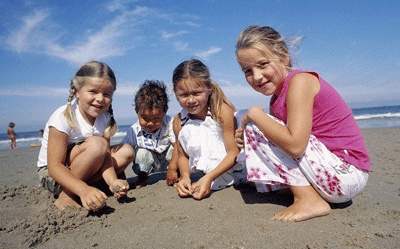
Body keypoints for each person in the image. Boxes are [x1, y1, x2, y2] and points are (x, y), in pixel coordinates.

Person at [234, 25, 370, 222]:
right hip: (329, 176)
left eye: (263, 64)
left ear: (284, 56)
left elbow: (296, 146)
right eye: (248, 70)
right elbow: (281, 147)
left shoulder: (300, 81)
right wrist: (248, 138)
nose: (256, 77)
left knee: (256, 120)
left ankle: (308, 199)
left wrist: (254, 115)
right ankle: (303, 192)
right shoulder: (275, 100)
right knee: (259, 125)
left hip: (347, 174)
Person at [36, 61, 131, 211]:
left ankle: (95, 186)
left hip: (85, 167)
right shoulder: (62, 117)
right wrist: (83, 190)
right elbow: (54, 166)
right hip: (53, 176)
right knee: (97, 145)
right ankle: (67, 196)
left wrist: (113, 181)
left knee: (126, 151)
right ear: (77, 91)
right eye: (93, 91)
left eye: (106, 94)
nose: (100, 99)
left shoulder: (104, 117)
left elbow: (105, 156)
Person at [172, 59, 246, 200]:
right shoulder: (179, 121)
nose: (191, 100)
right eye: (184, 95)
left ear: (208, 89)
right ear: (175, 93)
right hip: (206, 176)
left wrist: (210, 177)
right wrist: (185, 177)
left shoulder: (221, 111)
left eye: (197, 93)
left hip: (236, 171)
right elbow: (182, 156)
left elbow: (233, 152)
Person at [116, 80, 177, 189]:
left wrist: (173, 168)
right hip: (148, 162)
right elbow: (122, 152)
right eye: (145, 118)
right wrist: (120, 173)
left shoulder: (170, 123)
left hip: (169, 160)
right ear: (137, 111)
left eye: (156, 118)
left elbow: (178, 146)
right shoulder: (134, 130)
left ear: (165, 111)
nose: (150, 123)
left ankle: (178, 175)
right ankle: (142, 177)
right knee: (141, 153)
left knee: (176, 148)